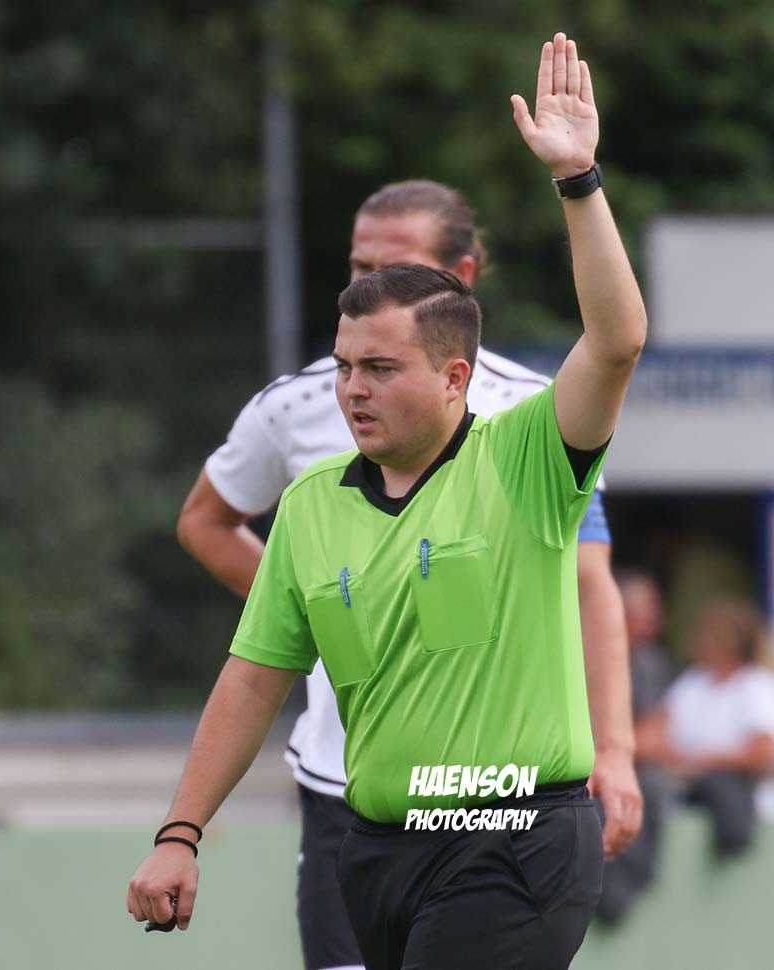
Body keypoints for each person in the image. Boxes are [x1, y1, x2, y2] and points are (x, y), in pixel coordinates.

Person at [128, 34, 646, 969]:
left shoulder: (526, 456)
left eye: (380, 368)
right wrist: (180, 832)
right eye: (344, 367)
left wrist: (578, 181)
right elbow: (252, 678)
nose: (352, 389)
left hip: (512, 838)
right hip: (370, 846)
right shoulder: (312, 505)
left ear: (454, 378)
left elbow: (614, 343)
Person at [636, 596, 774, 857]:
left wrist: (699, 761)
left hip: (753, 810)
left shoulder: (756, 686)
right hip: (685, 801)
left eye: (712, 634)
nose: (701, 640)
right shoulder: (693, 683)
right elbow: (650, 737)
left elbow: (763, 753)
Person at [597, 570, 672, 924]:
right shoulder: (586, 652)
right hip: (587, 771)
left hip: (625, 770)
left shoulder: (651, 663)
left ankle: (631, 887)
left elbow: (658, 735)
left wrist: (615, 750)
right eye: (647, 613)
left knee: (653, 791)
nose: (655, 621)